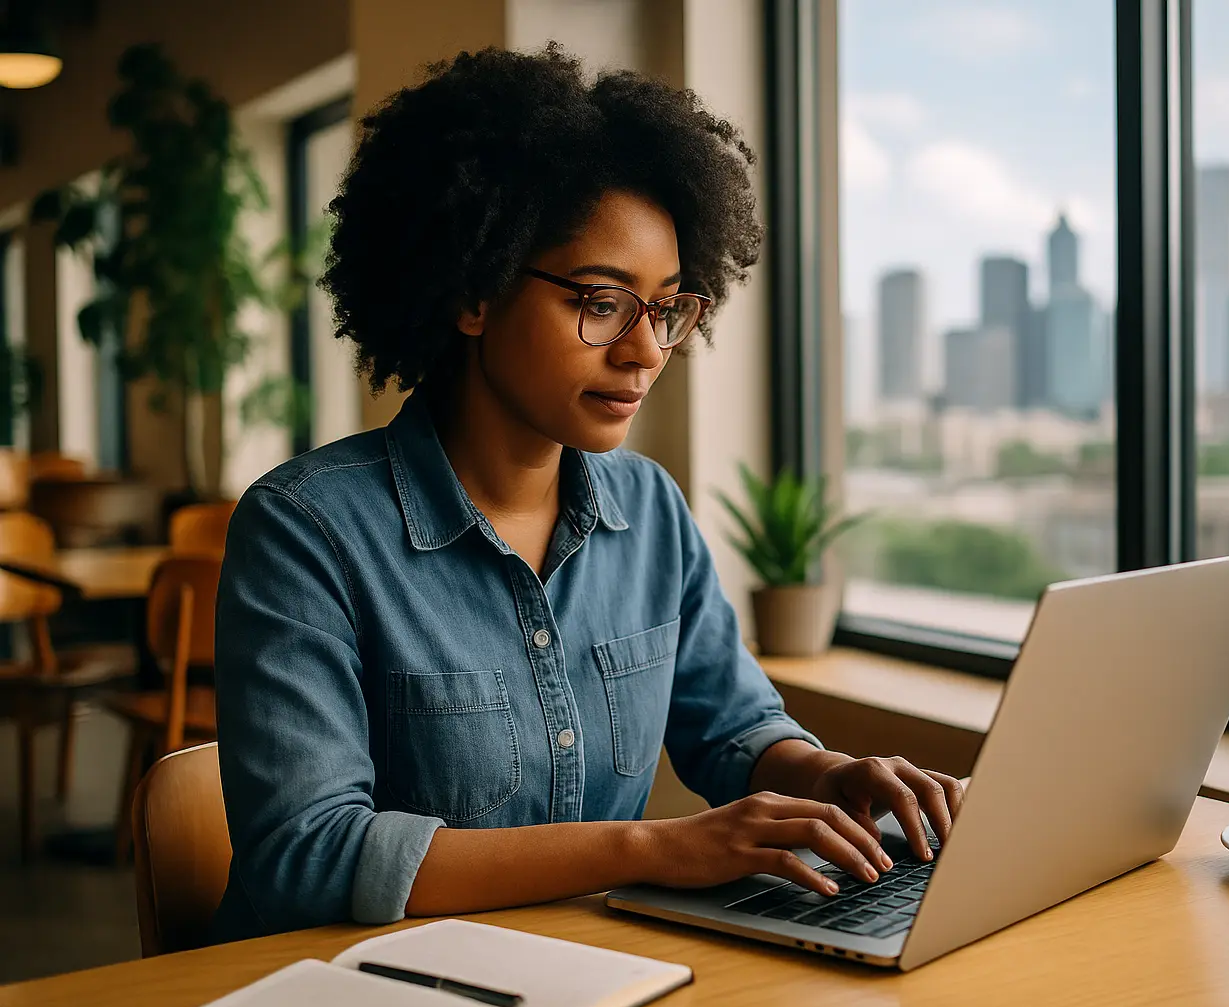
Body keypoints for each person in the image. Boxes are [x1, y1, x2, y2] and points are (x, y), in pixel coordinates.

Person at [211, 45, 963, 942]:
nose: (646, 351)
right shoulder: (307, 530)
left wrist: (824, 775)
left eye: (669, 309)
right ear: (474, 290)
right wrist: (648, 848)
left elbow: (733, 729)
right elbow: (309, 858)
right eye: (603, 302)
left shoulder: (649, 510)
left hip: (584, 975)